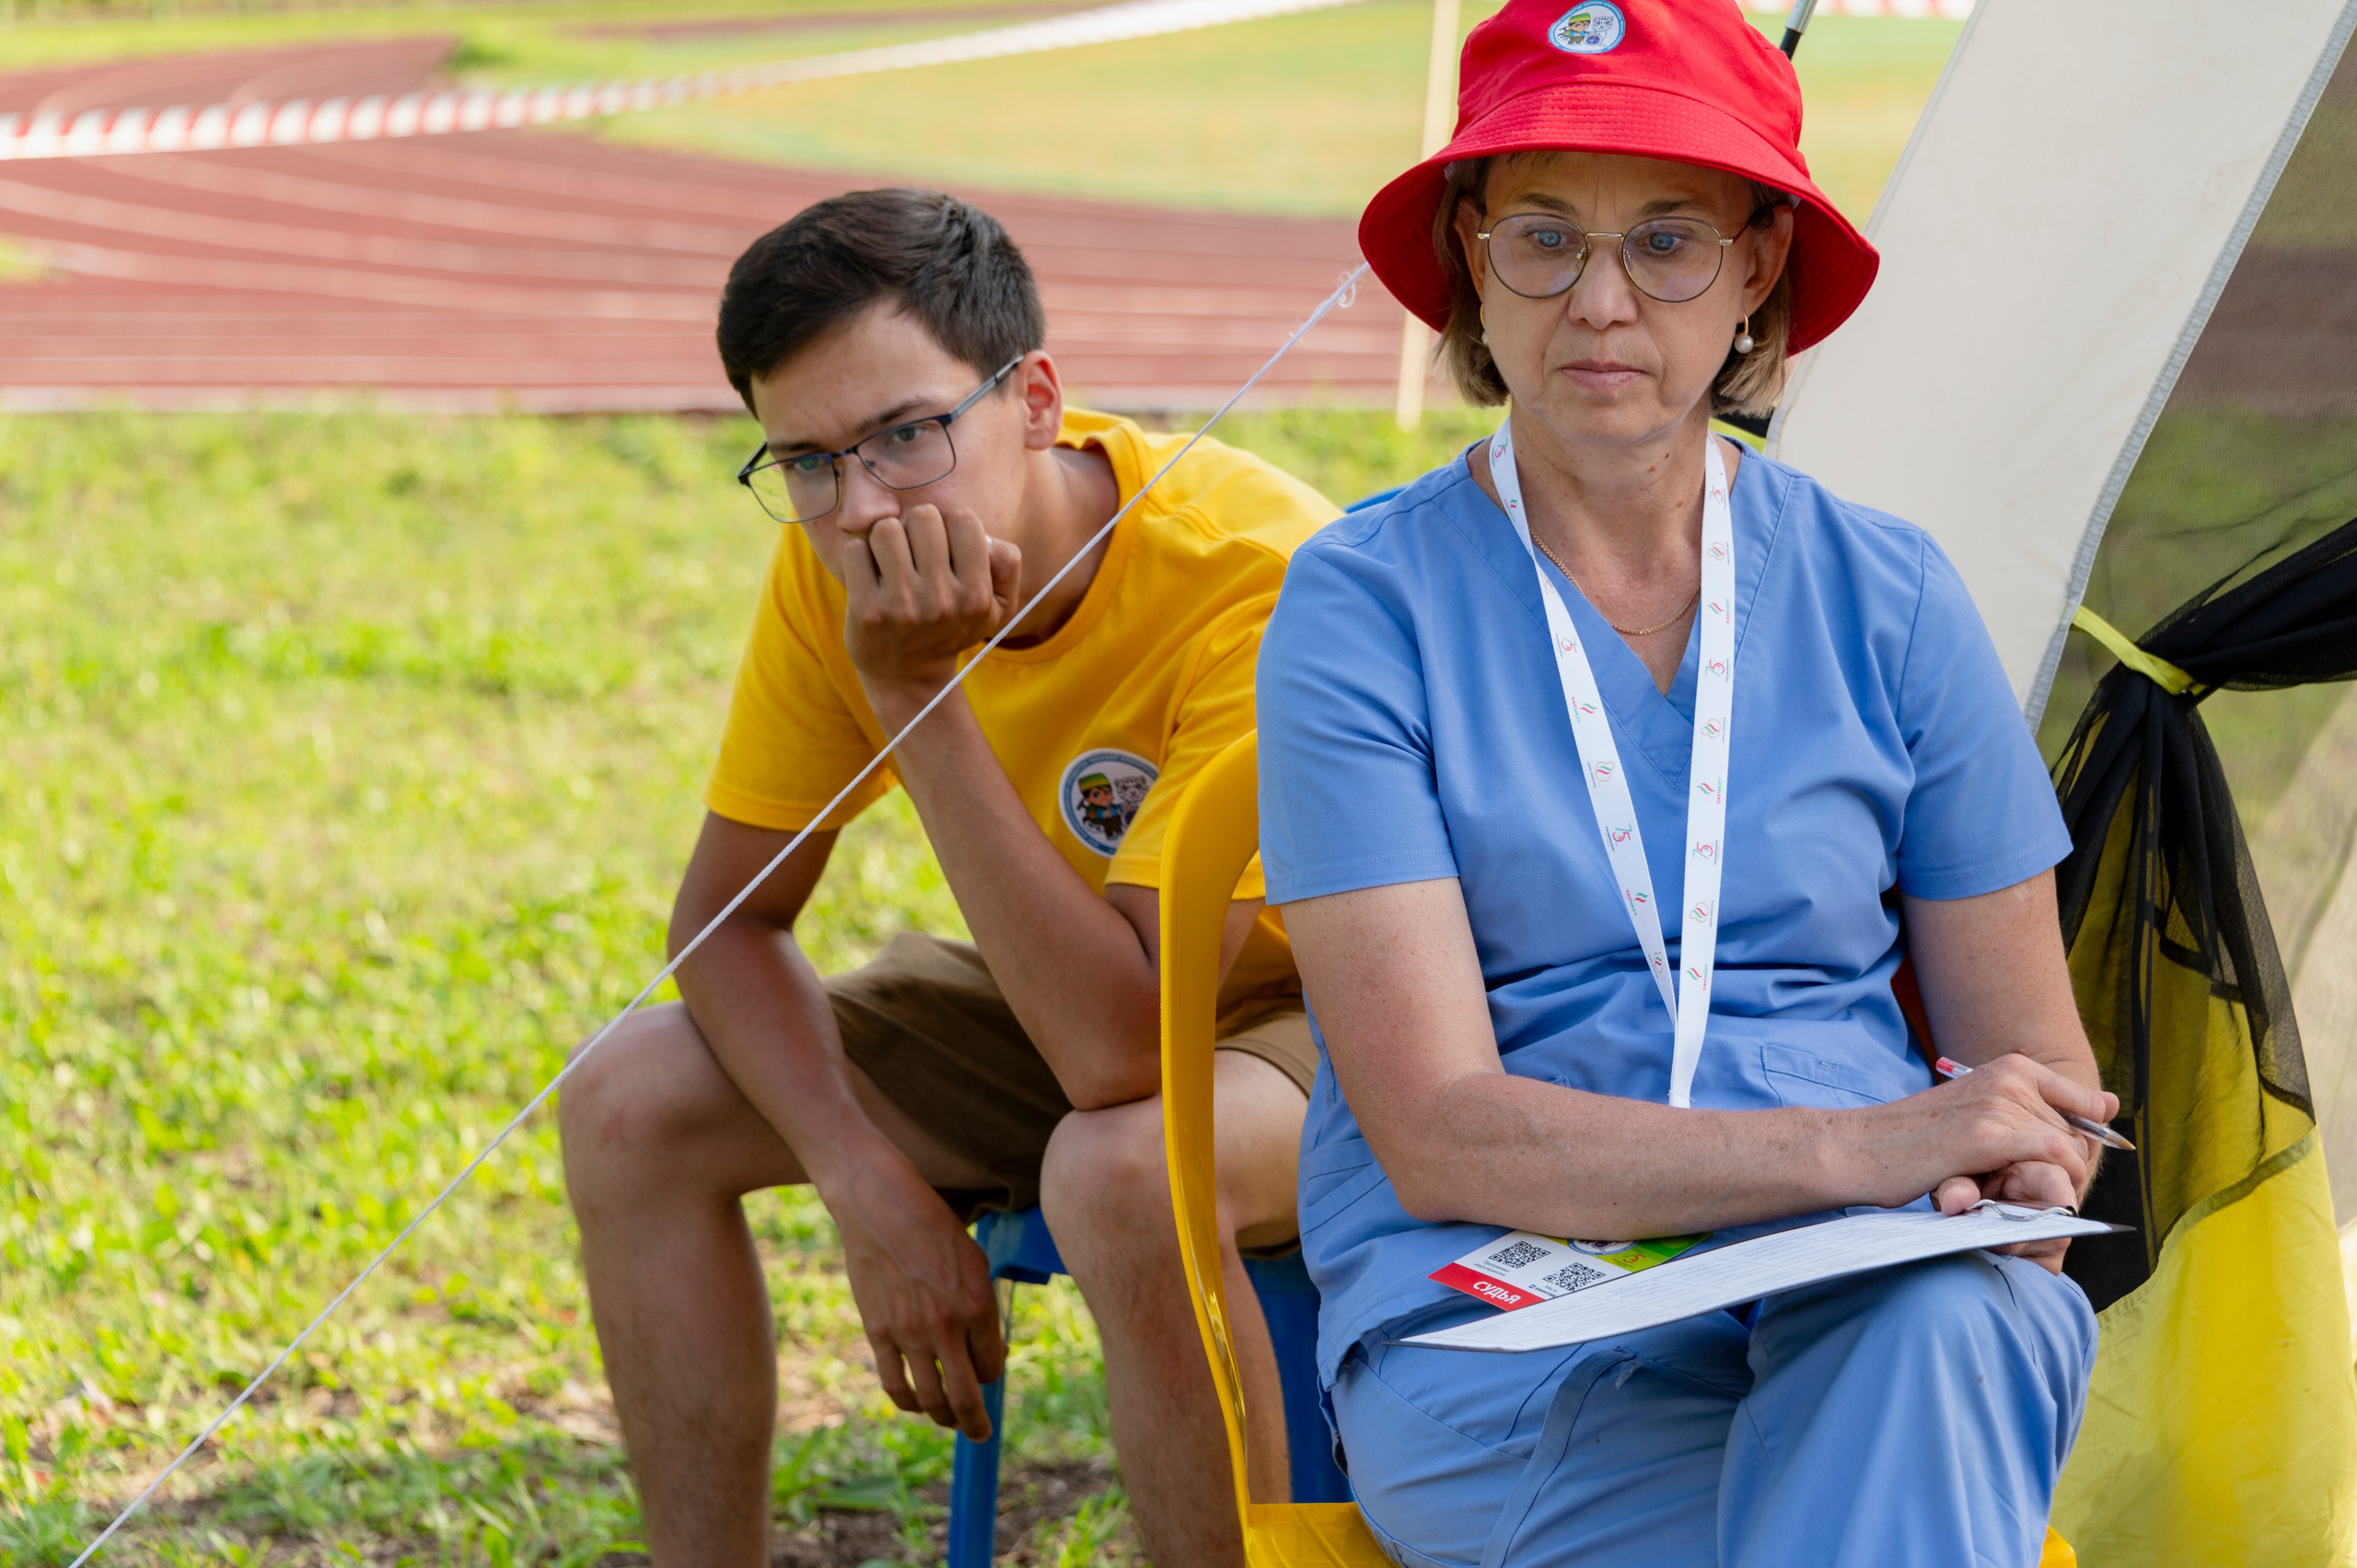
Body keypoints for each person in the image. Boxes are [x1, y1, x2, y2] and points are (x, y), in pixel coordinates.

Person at [1254, 4, 2119, 1564]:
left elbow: (2036, 1087)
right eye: (1542, 236)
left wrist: (1998, 1170)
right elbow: (1443, 1135)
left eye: (1666, 241)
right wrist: (1864, 1150)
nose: (1598, 301)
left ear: (1757, 268)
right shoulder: (1360, 606)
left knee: (1950, 1334)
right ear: (1471, 250)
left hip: (1871, 1298)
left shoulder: (1893, 597)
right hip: (1507, 1324)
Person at [557, 188, 1336, 1568]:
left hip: (1345, 1009)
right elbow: (727, 927)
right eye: (803, 461)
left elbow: (1116, 1055)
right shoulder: (842, 562)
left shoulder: (1254, 579)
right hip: (1088, 981)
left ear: (1033, 398)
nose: (860, 507)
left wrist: (918, 699)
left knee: (1119, 1171)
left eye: (905, 437)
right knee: (628, 1102)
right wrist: (862, 1184)